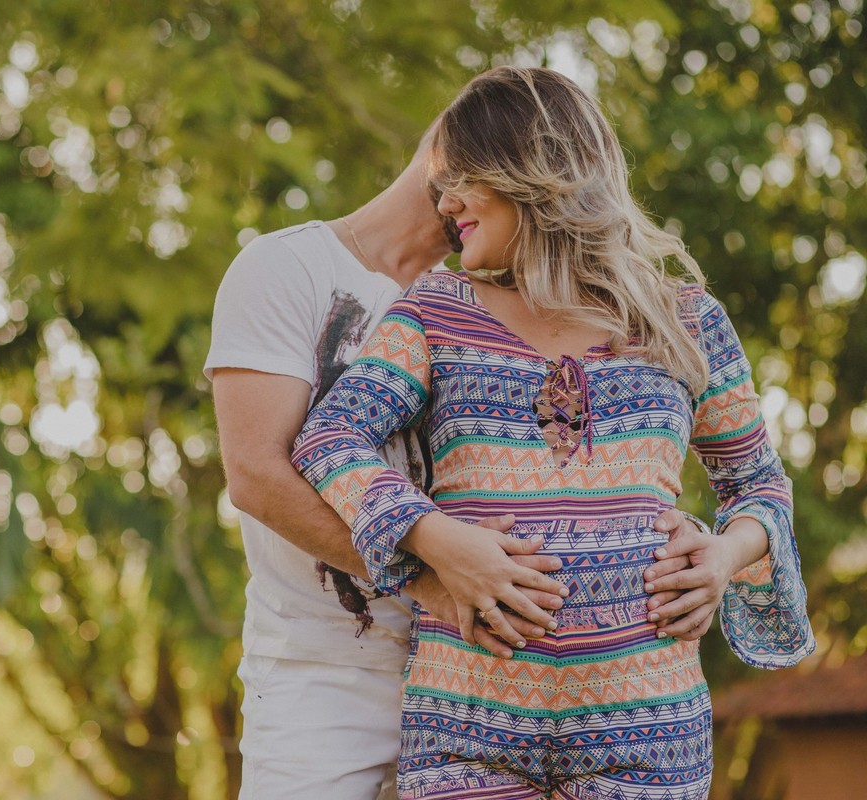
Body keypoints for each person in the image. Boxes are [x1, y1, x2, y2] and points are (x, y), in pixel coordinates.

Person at [291, 66, 815, 800]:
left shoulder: (685, 321)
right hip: (465, 725)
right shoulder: (433, 313)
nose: (443, 205)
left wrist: (724, 558)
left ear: (529, 170)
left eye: (460, 179)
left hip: (649, 731)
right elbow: (330, 437)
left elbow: (758, 485)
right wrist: (433, 539)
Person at [206, 104, 707, 799]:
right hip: (326, 680)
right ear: (452, 148)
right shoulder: (288, 266)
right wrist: (437, 577)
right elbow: (258, 476)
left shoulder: (494, 297)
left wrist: (676, 544)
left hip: (477, 678)